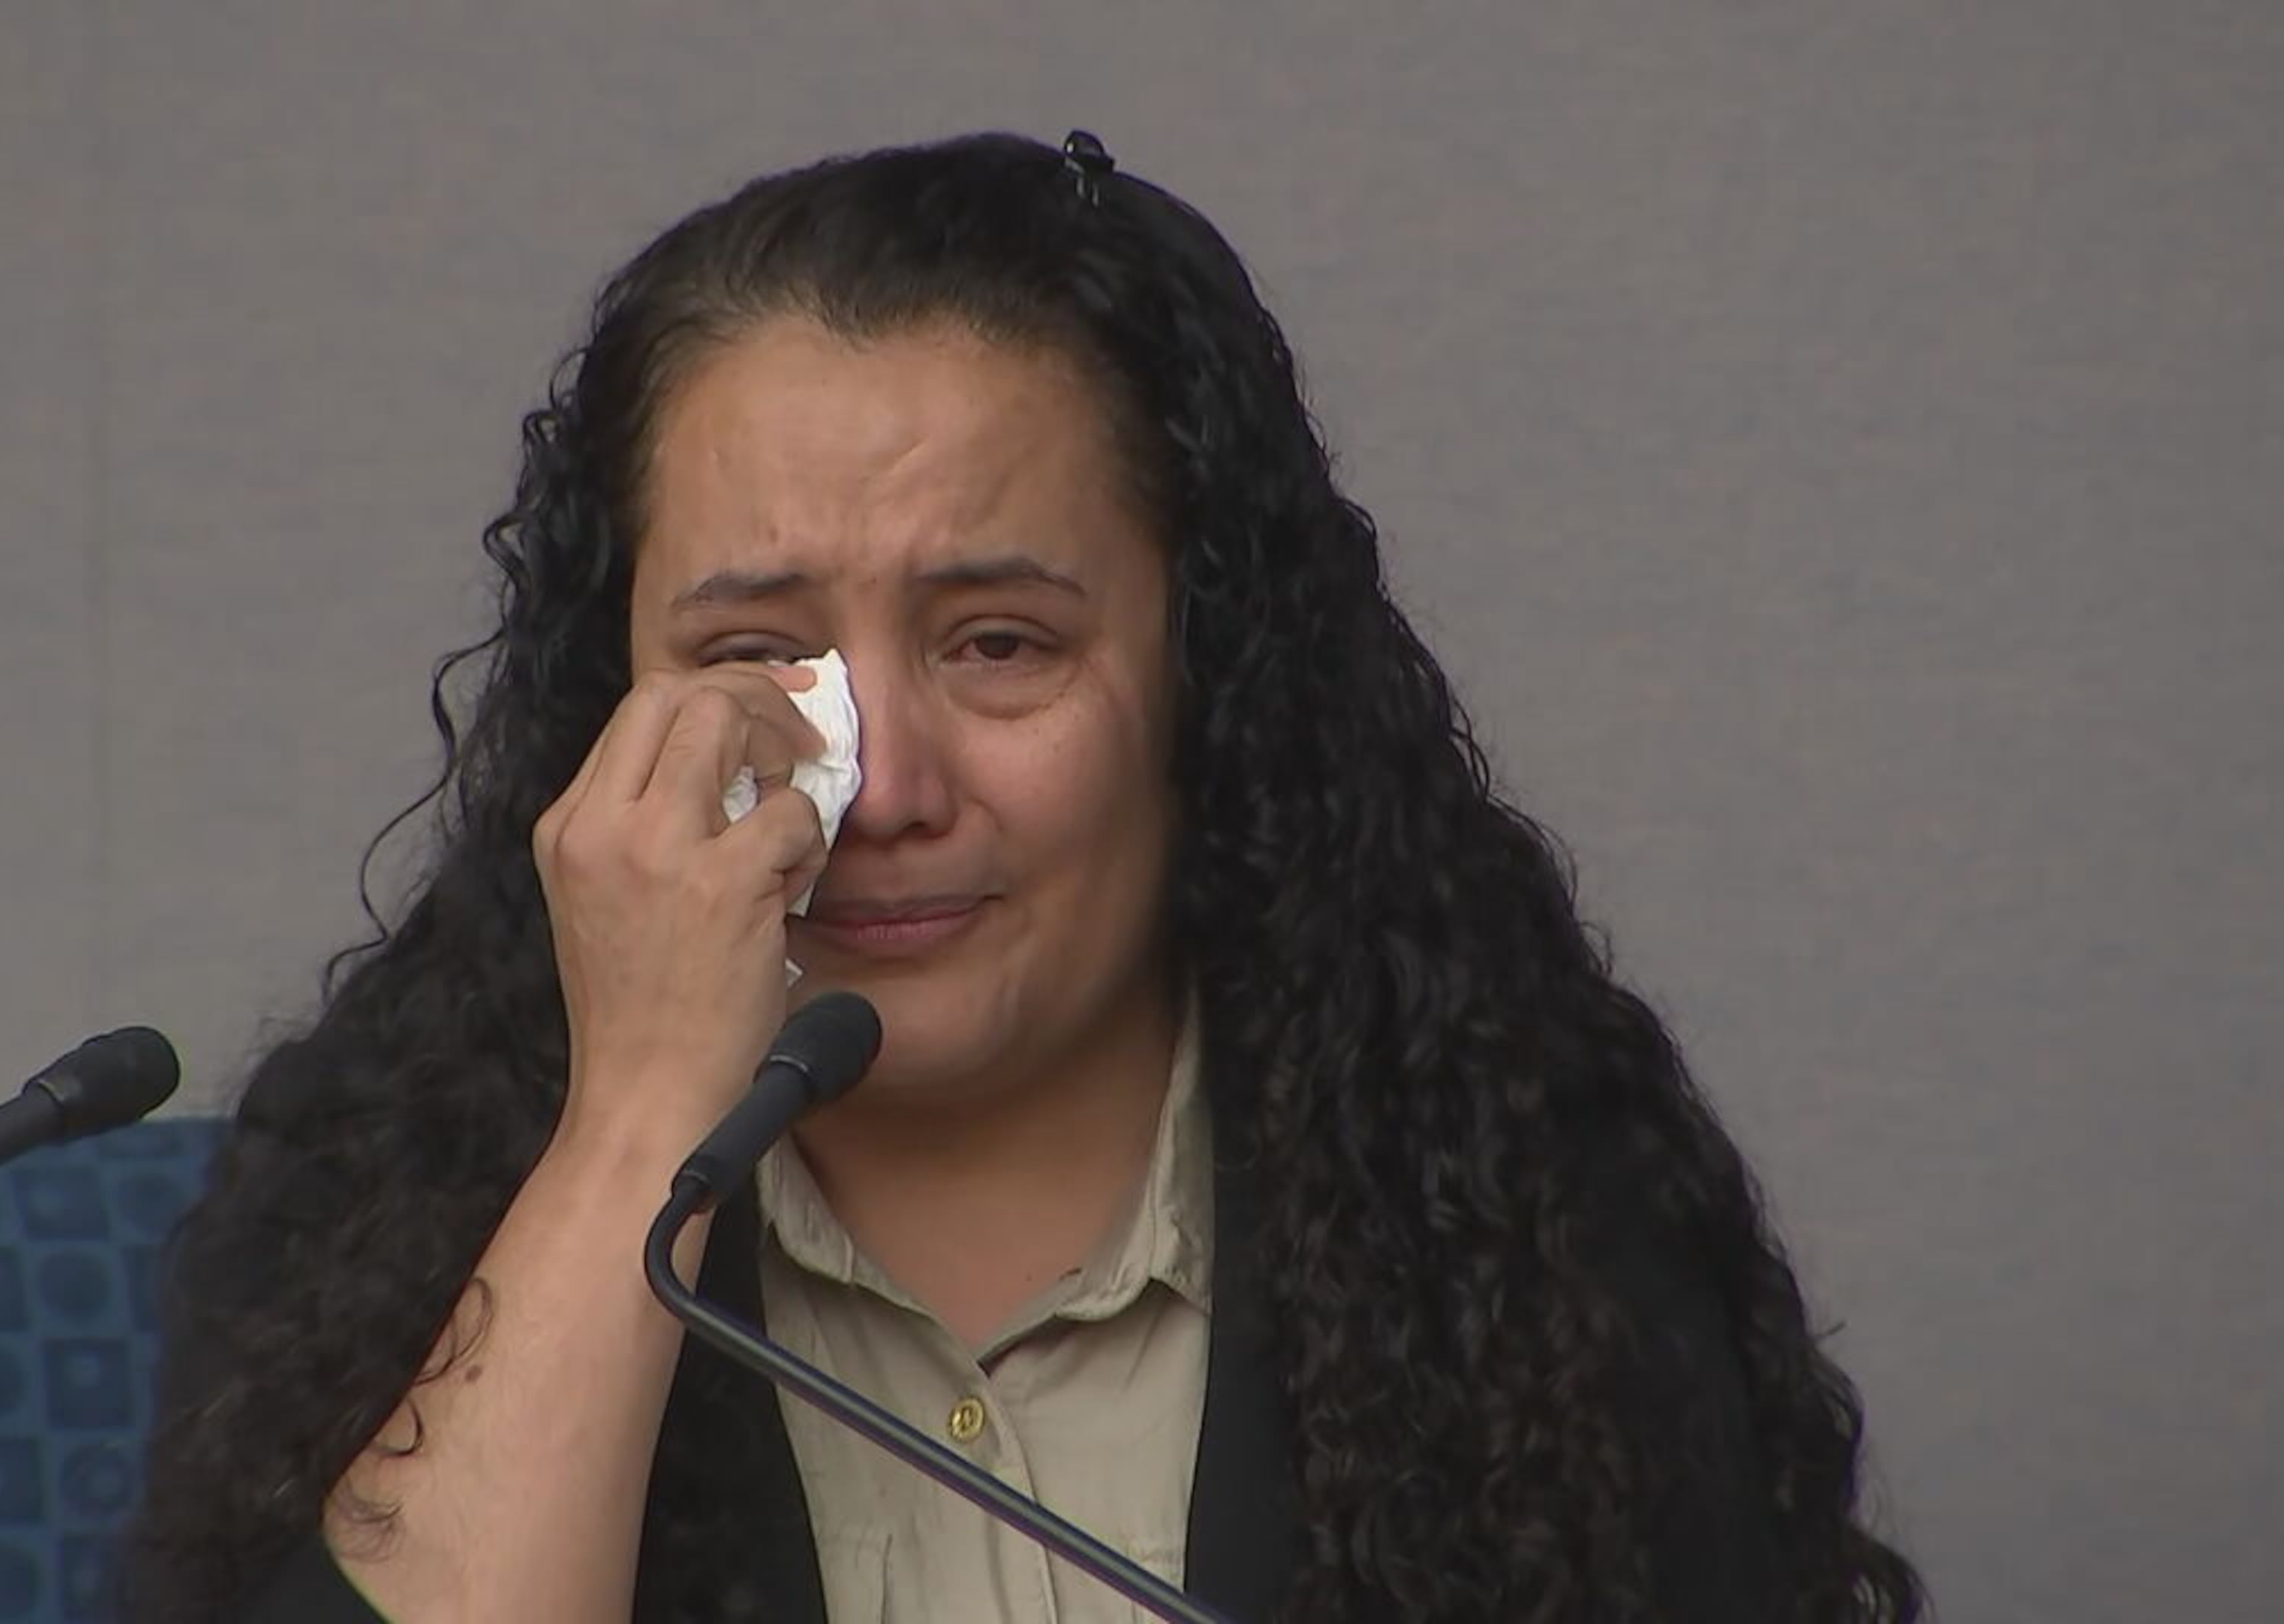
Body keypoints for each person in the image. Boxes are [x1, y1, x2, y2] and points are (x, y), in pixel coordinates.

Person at [124, 131, 1926, 1623]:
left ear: (1199, 681)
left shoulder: (1508, 1196)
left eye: (997, 645)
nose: (884, 785)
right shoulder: (379, 1199)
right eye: (758, 661)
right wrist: (631, 1134)